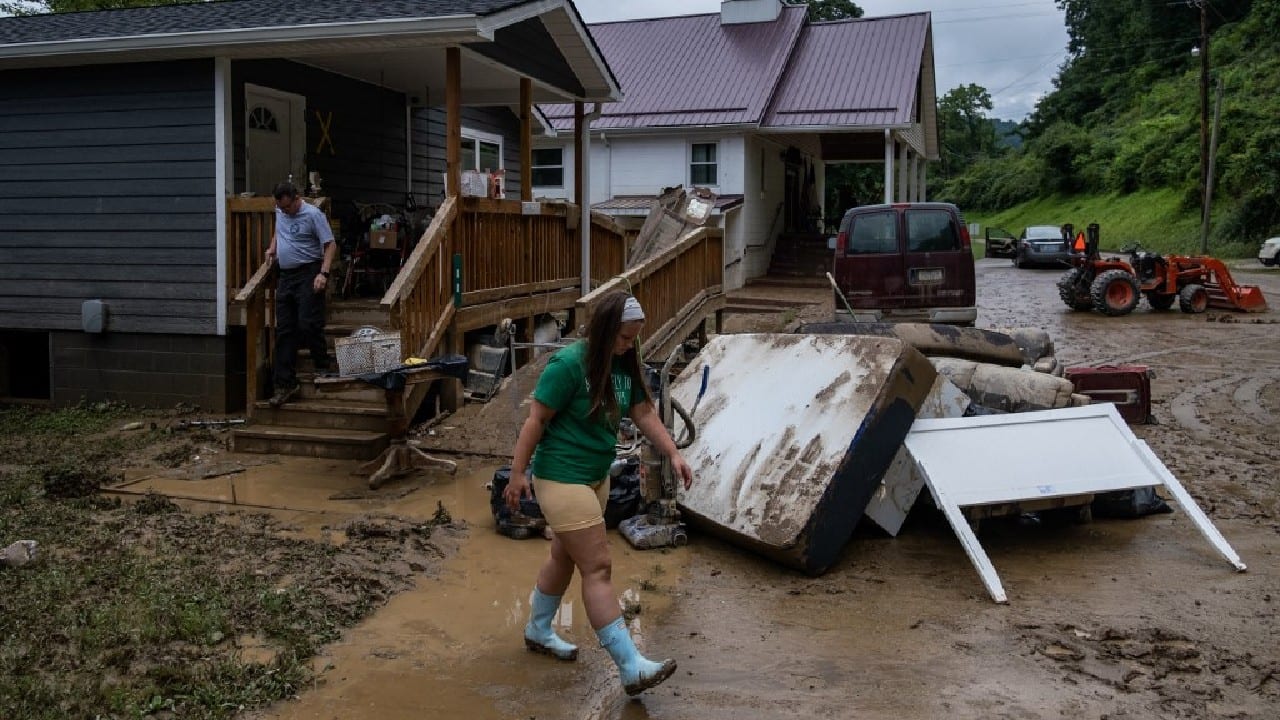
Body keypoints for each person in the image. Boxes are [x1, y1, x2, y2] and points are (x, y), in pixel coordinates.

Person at [505, 291, 693, 696]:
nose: (629, 345)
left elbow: (642, 413)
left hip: (595, 476)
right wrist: (518, 473)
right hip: (560, 476)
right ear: (605, 330)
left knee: (565, 556)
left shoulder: (624, 366)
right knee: (598, 567)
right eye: (624, 338)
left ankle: (538, 630)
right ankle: (631, 666)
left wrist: (673, 453)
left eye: (634, 339)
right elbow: (536, 419)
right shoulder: (569, 365)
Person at [264, 181, 337, 406]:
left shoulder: (313, 215)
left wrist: (323, 274)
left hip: (309, 271)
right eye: (281, 208)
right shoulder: (280, 210)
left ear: (296, 199)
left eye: (288, 207)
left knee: (307, 322)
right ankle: (285, 383)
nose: (285, 211)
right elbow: (279, 228)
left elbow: (330, 245)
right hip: (286, 275)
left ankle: (322, 363)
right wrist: (273, 246)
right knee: (284, 329)